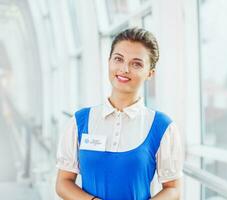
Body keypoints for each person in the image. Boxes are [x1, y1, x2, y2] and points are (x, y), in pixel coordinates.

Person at [55, 28, 183, 200]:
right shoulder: (80, 121)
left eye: (136, 63)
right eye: (118, 59)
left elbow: (173, 189)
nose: (124, 69)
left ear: (150, 73)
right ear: (109, 62)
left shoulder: (162, 127)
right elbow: (63, 182)